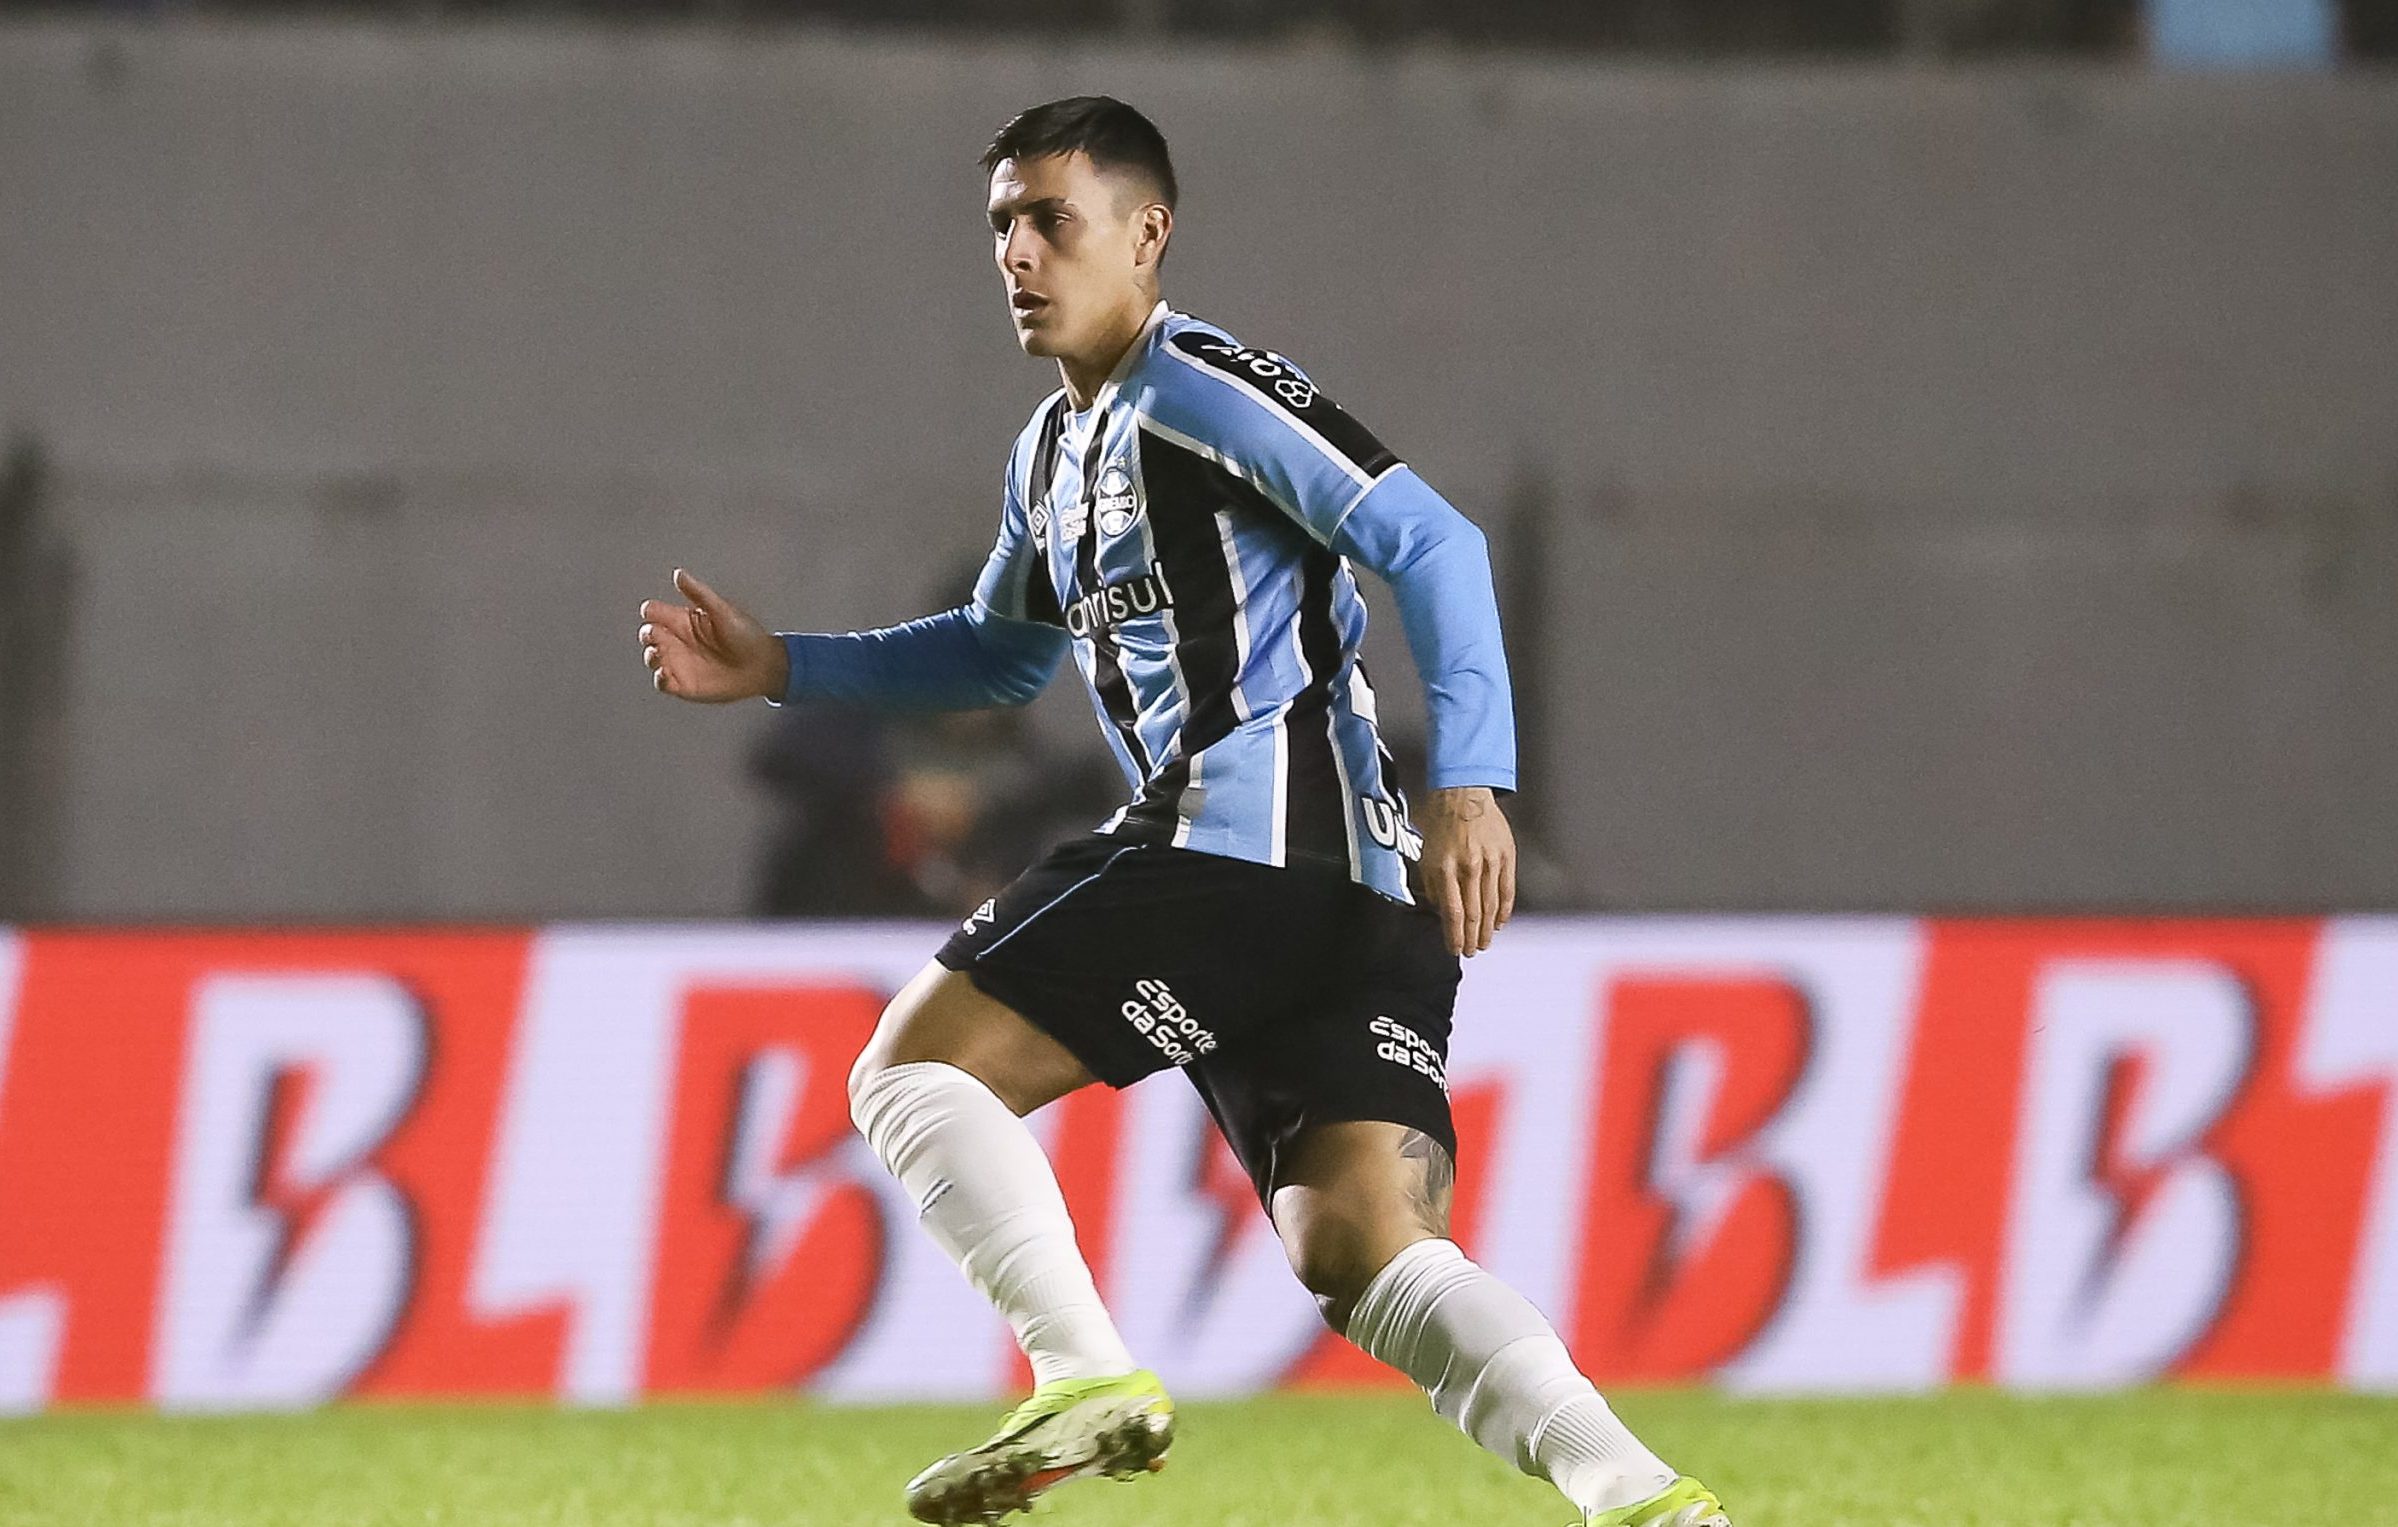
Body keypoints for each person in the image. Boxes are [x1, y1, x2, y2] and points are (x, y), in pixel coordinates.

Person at [637, 95, 1730, 1527]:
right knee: (1366, 1250)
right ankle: (1640, 1497)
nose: (1018, 254)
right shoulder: (1049, 454)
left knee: (911, 1075)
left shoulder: (1201, 389)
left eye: (1052, 220)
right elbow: (999, 651)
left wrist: (1474, 780)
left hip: (1243, 845)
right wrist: (787, 668)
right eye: (1001, 227)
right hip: (1347, 897)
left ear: (1146, 234)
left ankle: (1079, 1371)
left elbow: (1429, 538)